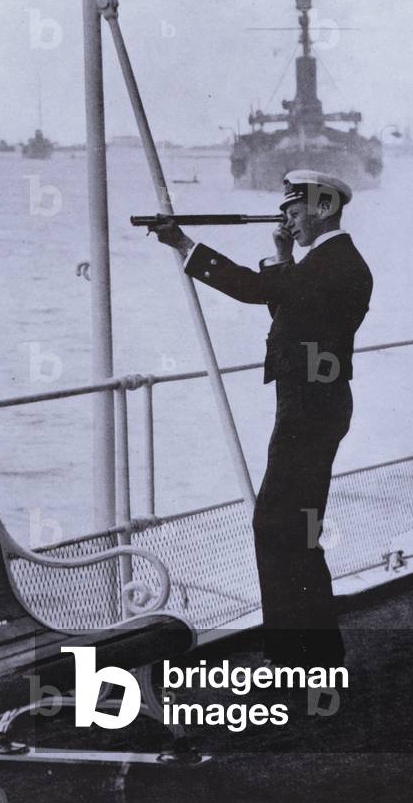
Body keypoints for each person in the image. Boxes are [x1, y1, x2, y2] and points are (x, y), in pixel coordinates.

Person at [153, 170, 373, 666]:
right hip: (312, 405)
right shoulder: (326, 262)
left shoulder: (334, 262)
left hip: (310, 410)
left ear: (322, 209)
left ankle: (300, 656)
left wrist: (183, 243)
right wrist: (284, 256)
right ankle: (310, 652)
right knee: (293, 527)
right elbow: (286, 310)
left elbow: (254, 290)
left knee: (278, 525)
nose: (287, 222)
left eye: (293, 213)